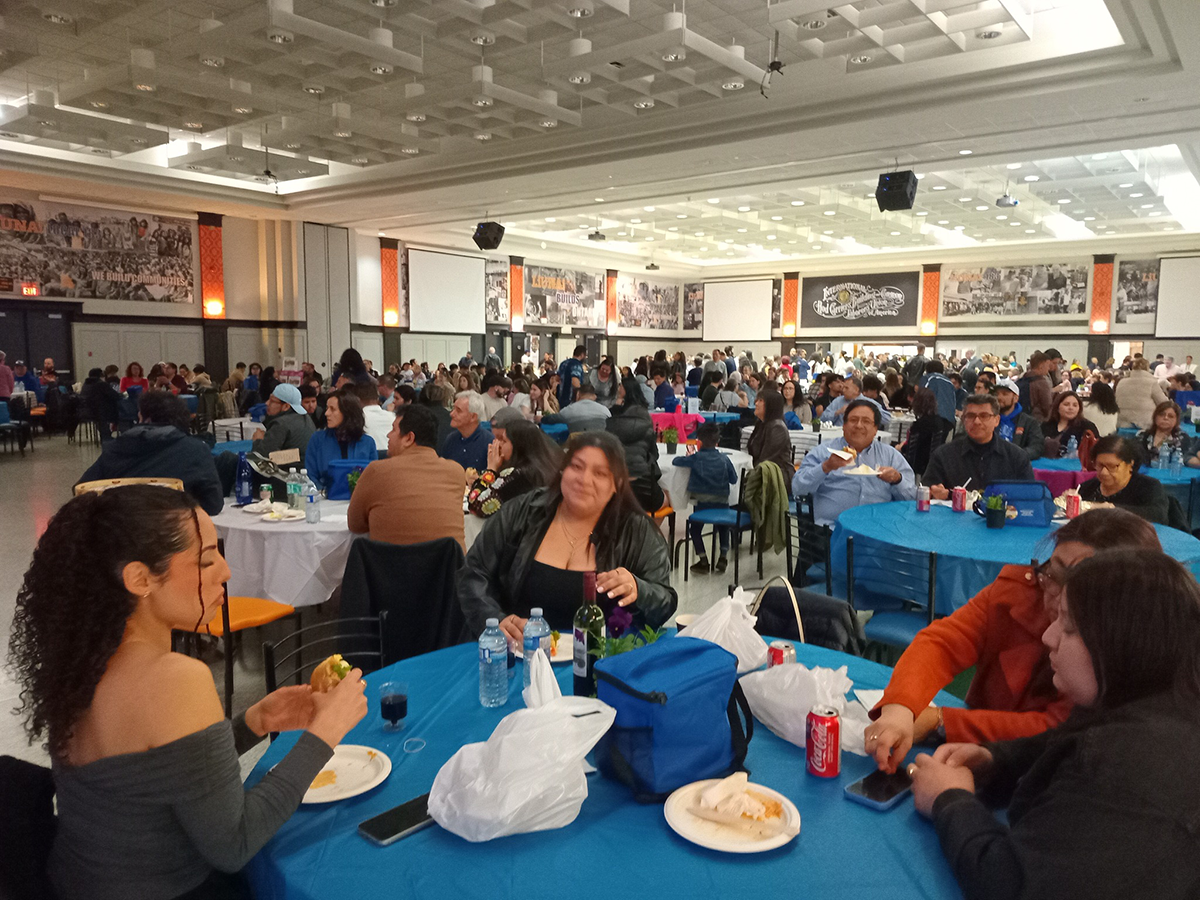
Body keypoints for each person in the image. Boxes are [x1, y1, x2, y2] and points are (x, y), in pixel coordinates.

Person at [7, 486, 368, 900]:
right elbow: (235, 842)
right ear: (140, 578)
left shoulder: (81, 665)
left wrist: (254, 722)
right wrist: (324, 734)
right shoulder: (174, 677)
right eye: (207, 559)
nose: (226, 573)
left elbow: (154, 778)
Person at [908, 549, 1200, 900]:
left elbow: (1010, 884)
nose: (1049, 636)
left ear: (1120, 644)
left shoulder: (1129, 769)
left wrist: (949, 800)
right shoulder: (1156, 701)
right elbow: (1065, 741)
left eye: (1070, 627)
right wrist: (996, 761)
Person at [866, 508, 1161, 770]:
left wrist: (941, 721)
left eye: (1076, 585)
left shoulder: (1127, 649)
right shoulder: (1020, 590)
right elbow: (943, 642)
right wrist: (900, 709)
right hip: (979, 758)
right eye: (1052, 572)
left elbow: (1057, 726)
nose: (1053, 594)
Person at [455, 431, 677, 640]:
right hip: (520, 654)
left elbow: (664, 603)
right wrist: (494, 621)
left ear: (617, 484)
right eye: (576, 467)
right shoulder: (522, 512)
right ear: (562, 471)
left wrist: (639, 589)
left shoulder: (636, 532)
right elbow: (474, 572)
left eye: (599, 473)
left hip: (600, 663)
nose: (584, 479)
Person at [78, 391, 224, 516]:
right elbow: (213, 505)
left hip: (120, 540)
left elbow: (83, 490)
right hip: (174, 539)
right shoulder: (196, 450)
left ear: (146, 418)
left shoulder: (116, 447)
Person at [348, 405, 467, 550]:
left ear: (409, 438)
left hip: (389, 570)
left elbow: (355, 525)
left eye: (393, 430)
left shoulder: (376, 471)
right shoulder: (456, 472)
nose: (388, 435)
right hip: (448, 570)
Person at [792, 399, 916, 526]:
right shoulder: (824, 453)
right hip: (833, 530)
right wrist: (826, 467)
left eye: (866, 421)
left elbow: (912, 498)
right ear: (844, 426)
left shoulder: (891, 456)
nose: (859, 425)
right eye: (853, 420)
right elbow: (797, 488)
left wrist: (897, 480)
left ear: (875, 429)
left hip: (879, 530)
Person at [924, 394, 1035, 498]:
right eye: (971, 416)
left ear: (997, 420)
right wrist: (935, 492)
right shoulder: (944, 456)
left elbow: (1030, 497)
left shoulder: (1016, 457)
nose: (977, 421)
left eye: (984, 416)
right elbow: (926, 491)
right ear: (963, 420)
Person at [672, 422, 738, 575]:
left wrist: (689, 456)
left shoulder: (696, 458)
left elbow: (676, 461)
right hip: (722, 502)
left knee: (695, 529)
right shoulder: (724, 459)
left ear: (698, 442)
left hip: (702, 504)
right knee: (723, 527)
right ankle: (722, 556)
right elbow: (734, 479)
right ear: (718, 442)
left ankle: (703, 559)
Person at [468, 419, 562, 518]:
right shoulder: (547, 467)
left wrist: (490, 470)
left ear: (518, 446)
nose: (498, 445)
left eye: (503, 441)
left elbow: (476, 506)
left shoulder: (518, 475)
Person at [1078, 434, 1175, 527]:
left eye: (1112, 466)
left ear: (1130, 464)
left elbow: (1158, 515)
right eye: (1099, 465)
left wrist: (1112, 509)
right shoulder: (1087, 488)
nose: (1104, 472)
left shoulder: (1149, 486)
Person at [605, 376, 663, 512]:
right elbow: (653, 453)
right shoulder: (634, 411)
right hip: (641, 476)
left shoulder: (629, 414)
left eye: (621, 386)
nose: (619, 388)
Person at [303, 389, 377, 492]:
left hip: (359, 498)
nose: (326, 413)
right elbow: (311, 475)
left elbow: (373, 477)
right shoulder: (317, 439)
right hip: (325, 498)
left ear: (347, 412)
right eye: (327, 408)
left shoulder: (367, 443)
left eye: (332, 409)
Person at [248, 384, 317, 465]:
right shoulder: (306, 418)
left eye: (272, 401)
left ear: (286, 406)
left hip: (288, 473)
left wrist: (257, 440)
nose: (267, 403)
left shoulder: (281, 423)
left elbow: (262, 458)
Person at [983, 377, 1044, 462]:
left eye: (1005, 394)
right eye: (996, 394)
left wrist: (1015, 456)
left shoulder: (1029, 422)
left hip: (1016, 465)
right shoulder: (986, 419)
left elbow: (1036, 447)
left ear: (1015, 398)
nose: (999, 397)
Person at [746, 390, 794, 494]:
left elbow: (765, 459)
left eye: (760, 400)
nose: (756, 403)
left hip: (777, 476)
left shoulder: (777, 428)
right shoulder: (761, 423)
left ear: (770, 405)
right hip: (764, 472)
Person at [900, 387, 952, 475]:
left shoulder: (919, 425)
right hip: (935, 466)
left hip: (918, 468)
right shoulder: (942, 422)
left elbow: (912, 453)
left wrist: (901, 448)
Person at [440, 391, 490, 474]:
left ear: (473, 417)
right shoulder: (450, 439)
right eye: (453, 408)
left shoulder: (489, 444)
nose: (452, 414)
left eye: (458, 411)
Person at [1115, 357, 1167, 429]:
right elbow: (1163, 403)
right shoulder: (1151, 382)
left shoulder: (1121, 382)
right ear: (1147, 368)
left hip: (1122, 423)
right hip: (1144, 423)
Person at [1043, 391, 1099, 458]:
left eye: (1075, 405)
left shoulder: (1088, 427)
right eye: (1066, 404)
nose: (1071, 408)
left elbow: (1096, 450)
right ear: (1057, 407)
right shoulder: (1046, 426)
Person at [349, 381, 393, 456]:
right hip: (393, 460)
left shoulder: (355, 420)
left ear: (357, 400)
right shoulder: (394, 417)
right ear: (377, 398)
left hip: (367, 462)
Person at [80, 367, 120, 442]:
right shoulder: (101, 384)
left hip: (85, 411)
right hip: (99, 412)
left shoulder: (85, 384)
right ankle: (108, 435)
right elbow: (115, 395)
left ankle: (106, 434)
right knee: (116, 408)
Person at [918, 361, 958, 427]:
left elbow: (921, 396)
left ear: (927, 370)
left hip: (932, 419)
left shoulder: (927, 378)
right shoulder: (949, 382)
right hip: (949, 420)